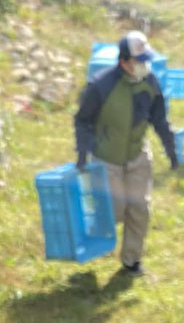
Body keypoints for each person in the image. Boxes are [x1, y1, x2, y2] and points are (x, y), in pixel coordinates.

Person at [74, 29, 178, 276]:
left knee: (140, 209)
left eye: (147, 60)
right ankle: (95, 234)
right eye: (140, 62)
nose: (146, 66)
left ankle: (131, 261)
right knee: (117, 210)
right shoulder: (100, 86)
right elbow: (83, 121)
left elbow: (160, 120)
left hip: (137, 157)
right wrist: (82, 153)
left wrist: (171, 149)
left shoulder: (150, 83)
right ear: (124, 63)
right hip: (107, 159)